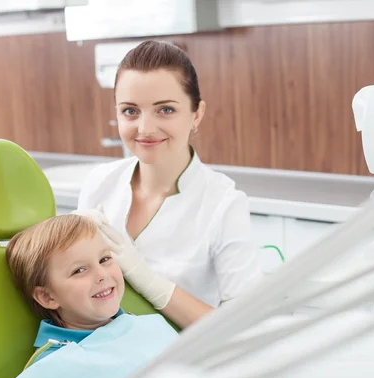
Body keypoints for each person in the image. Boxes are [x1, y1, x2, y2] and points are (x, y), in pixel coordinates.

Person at [77, 40, 263, 329]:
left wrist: (148, 281)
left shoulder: (224, 204)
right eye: (130, 111)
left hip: (183, 365)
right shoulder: (100, 183)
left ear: (196, 114)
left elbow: (243, 327)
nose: (146, 129)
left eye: (165, 110)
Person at [5, 214, 178, 378]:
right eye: (79, 270)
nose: (101, 274)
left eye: (104, 259)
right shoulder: (54, 370)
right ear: (47, 297)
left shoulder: (147, 326)